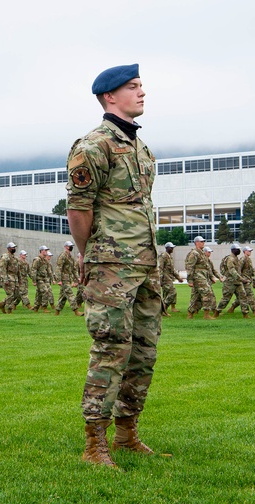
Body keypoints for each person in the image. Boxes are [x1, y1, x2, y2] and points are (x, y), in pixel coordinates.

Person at [66, 63, 161, 469]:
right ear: (109, 97)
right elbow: (79, 208)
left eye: (142, 86)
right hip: (111, 267)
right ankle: (94, 444)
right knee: (110, 351)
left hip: (145, 266)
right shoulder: (92, 146)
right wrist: (93, 255)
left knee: (143, 353)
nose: (142, 92)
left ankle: (126, 434)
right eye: (133, 87)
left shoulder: (140, 148)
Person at [216, 244, 250, 318]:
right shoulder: (230, 259)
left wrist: (240, 279)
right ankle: (217, 311)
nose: (239, 251)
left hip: (237, 282)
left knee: (243, 296)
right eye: (237, 249)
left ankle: (245, 313)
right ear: (233, 250)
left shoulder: (236, 258)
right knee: (226, 298)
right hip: (230, 282)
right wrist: (241, 279)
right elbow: (232, 270)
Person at [185, 236, 215, 319]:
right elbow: (189, 267)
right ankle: (206, 314)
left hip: (203, 275)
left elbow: (207, 266)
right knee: (207, 292)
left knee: (195, 296)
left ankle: (190, 314)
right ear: (197, 242)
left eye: (203, 241)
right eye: (201, 241)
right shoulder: (194, 253)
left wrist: (211, 276)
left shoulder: (201, 253)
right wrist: (190, 280)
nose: (203, 243)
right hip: (198, 276)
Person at [55, 241, 82, 316]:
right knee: (70, 295)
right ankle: (76, 311)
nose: (71, 247)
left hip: (68, 279)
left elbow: (74, 269)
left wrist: (78, 278)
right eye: (70, 246)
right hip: (63, 279)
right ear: (66, 246)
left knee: (63, 296)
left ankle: (57, 312)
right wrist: (59, 280)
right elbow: (59, 268)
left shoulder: (71, 257)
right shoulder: (63, 255)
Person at [158, 243, 180, 316]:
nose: (172, 249)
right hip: (165, 278)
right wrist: (160, 280)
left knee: (167, 294)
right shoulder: (163, 256)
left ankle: (163, 311)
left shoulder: (169, 257)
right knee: (172, 292)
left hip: (169, 278)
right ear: (167, 248)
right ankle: (163, 310)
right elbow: (160, 268)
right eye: (171, 247)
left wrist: (178, 277)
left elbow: (172, 269)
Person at [31, 246, 54, 312]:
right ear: (41, 251)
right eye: (45, 250)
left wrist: (52, 279)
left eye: (47, 250)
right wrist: (34, 280)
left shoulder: (45, 260)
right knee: (45, 291)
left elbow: (48, 270)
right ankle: (44, 307)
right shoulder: (37, 259)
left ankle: (36, 307)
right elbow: (34, 270)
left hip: (44, 279)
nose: (46, 252)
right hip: (39, 279)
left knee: (39, 293)